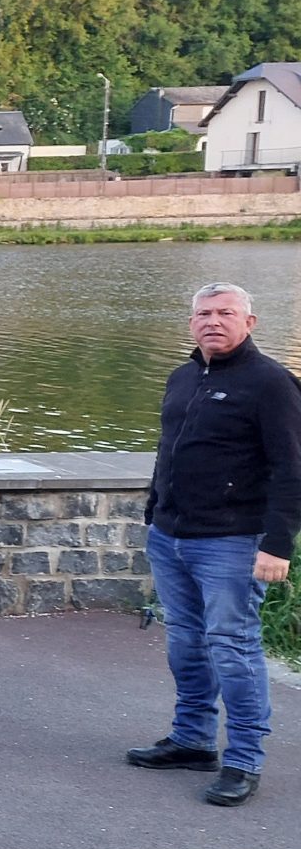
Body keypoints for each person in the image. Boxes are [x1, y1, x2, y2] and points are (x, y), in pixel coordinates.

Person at [128, 282, 299, 807]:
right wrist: (154, 511)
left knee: (233, 647)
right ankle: (192, 739)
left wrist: (277, 545)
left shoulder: (272, 384)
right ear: (190, 323)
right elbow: (168, 451)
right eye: (204, 313)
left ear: (250, 322)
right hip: (172, 536)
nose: (213, 321)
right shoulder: (182, 377)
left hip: (233, 541)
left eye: (227, 313)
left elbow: (292, 469)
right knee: (185, 642)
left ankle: (244, 759)